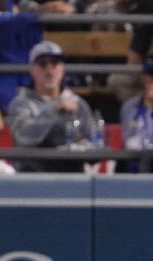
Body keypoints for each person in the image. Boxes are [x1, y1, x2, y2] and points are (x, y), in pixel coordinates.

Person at [6, 40, 99, 172]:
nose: (49, 70)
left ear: (62, 68)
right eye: (43, 64)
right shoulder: (21, 104)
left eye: (55, 63)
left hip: (72, 179)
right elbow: (23, 137)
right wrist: (53, 111)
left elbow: (96, 143)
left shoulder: (78, 103)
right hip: (32, 179)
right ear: (32, 70)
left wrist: (79, 147)